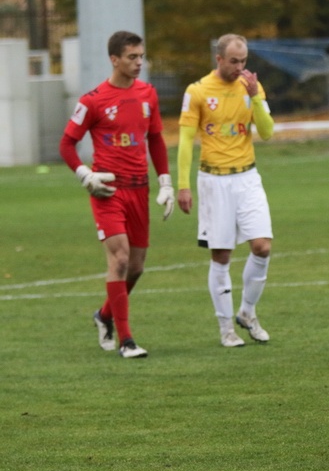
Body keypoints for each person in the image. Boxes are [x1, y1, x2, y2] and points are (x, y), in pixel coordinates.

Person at [59, 30, 174, 359]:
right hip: (108, 191)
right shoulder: (93, 100)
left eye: (141, 56)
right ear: (115, 60)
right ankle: (126, 340)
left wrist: (165, 181)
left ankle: (104, 315)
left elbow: (155, 139)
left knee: (136, 267)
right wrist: (86, 176)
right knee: (120, 259)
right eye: (132, 57)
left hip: (140, 189)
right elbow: (66, 144)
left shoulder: (148, 94)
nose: (139, 63)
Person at [177, 33, 275, 348]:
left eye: (244, 61)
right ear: (219, 59)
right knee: (221, 256)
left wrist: (255, 97)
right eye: (234, 61)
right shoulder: (198, 91)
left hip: (247, 178)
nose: (240, 67)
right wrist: (183, 184)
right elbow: (184, 141)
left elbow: (268, 132)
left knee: (262, 246)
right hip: (214, 181)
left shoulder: (251, 87)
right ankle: (225, 329)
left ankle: (247, 313)